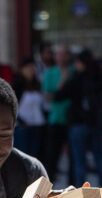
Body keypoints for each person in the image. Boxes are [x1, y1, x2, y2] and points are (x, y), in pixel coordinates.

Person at [57, 49, 102, 188]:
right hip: (97, 123)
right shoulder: (101, 79)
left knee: (80, 163)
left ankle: (83, 195)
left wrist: (65, 77)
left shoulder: (76, 79)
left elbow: (59, 95)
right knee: (100, 160)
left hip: (78, 124)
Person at [40, 44, 72, 181]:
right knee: (52, 156)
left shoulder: (74, 71)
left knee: (73, 158)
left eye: (64, 54)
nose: (60, 57)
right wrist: (62, 84)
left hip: (72, 119)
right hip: (55, 119)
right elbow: (47, 96)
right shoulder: (50, 73)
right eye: (58, 54)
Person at [12, 57, 45, 160]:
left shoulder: (37, 85)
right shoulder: (17, 85)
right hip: (22, 127)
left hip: (37, 126)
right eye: (28, 68)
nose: (31, 70)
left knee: (36, 158)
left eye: (33, 67)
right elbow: (10, 106)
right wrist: (20, 120)